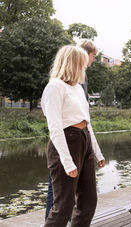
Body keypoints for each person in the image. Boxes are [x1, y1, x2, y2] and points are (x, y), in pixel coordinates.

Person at [41, 45, 103, 226]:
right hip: (66, 143)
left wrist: (97, 153)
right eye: (82, 65)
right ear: (72, 64)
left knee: (89, 202)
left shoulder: (77, 89)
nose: (84, 69)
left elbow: (87, 123)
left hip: (84, 141)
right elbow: (55, 127)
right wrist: (67, 162)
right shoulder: (54, 87)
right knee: (63, 206)